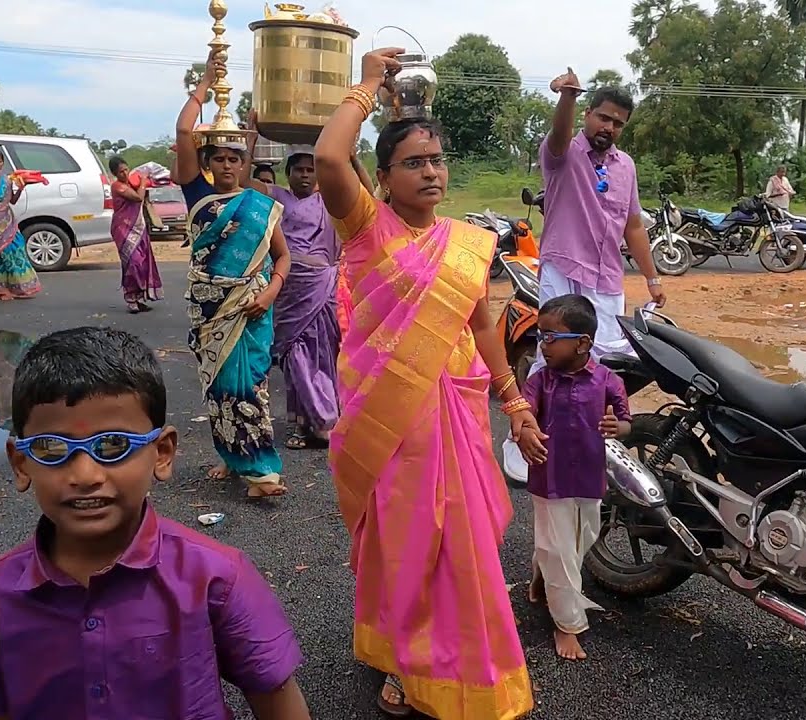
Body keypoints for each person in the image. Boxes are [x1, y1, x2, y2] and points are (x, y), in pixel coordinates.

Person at [314, 47, 538, 719]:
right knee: (404, 541)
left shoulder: (468, 243)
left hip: (456, 411)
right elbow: (329, 158)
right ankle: (401, 659)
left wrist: (514, 399)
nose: (432, 171)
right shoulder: (366, 227)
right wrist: (366, 86)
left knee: (463, 544)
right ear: (383, 177)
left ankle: (463, 669)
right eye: (414, 162)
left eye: (437, 160)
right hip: (391, 421)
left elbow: (482, 323)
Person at [0, 326, 310, 720]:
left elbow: (278, 703)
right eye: (52, 448)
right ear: (21, 463)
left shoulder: (216, 579)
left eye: (113, 445)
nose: (85, 475)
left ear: (162, 453)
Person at [174, 53, 293, 498]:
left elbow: (283, 258)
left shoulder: (260, 205)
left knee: (250, 386)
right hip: (210, 308)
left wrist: (271, 293)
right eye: (219, 158)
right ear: (207, 162)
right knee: (220, 387)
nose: (227, 165)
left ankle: (262, 472)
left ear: (244, 162)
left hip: (253, 307)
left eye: (234, 159)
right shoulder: (199, 196)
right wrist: (205, 83)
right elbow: (184, 131)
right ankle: (231, 455)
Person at [240, 126, 374, 450]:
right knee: (294, 355)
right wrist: (251, 142)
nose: (304, 175)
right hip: (289, 289)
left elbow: (369, 196)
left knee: (325, 353)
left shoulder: (330, 200)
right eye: (298, 169)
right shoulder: (276, 198)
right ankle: (307, 424)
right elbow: (243, 184)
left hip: (323, 287)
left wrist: (353, 158)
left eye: (309, 169)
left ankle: (324, 419)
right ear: (287, 173)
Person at [517, 294, 630, 662]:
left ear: (582, 343)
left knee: (580, 540)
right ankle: (567, 624)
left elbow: (626, 421)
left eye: (550, 337)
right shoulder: (539, 381)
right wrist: (525, 432)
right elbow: (524, 414)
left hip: (589, 478)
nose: (542, 345)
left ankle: (541, 575)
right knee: (560, 549)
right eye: (539, 336)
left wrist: (618, 427)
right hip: (548, 478)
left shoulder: (608, 381)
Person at [534, 69, 664, 370]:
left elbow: (633, 226)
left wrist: (652, 279)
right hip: (564, 270)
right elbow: (559, 133)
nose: (609, 127)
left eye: (618, 124)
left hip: (608, 280)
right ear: (587, 114)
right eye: (603, 118)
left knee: (605, 364)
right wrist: (568, 96)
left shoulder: (626, 166)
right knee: (558, 357)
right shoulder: (564, 154)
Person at [0, 149, 42, 300]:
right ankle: (0, 289)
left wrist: (21, 188)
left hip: (8, 221)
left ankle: (17, 286)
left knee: (15, 249)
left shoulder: (7, 180)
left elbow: (12, 201)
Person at [108, 155, 165, 313]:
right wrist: (144, 181)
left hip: (139, 227)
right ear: (115, 174)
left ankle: (139, 298)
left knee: (144, 263)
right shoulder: (117, 186)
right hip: (123, 229)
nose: (125, 174)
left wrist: (143, 181)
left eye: (126, 170)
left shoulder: (132, 183)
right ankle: (131, 298)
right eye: (121, 172)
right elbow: (138, 198)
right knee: (133, 263)